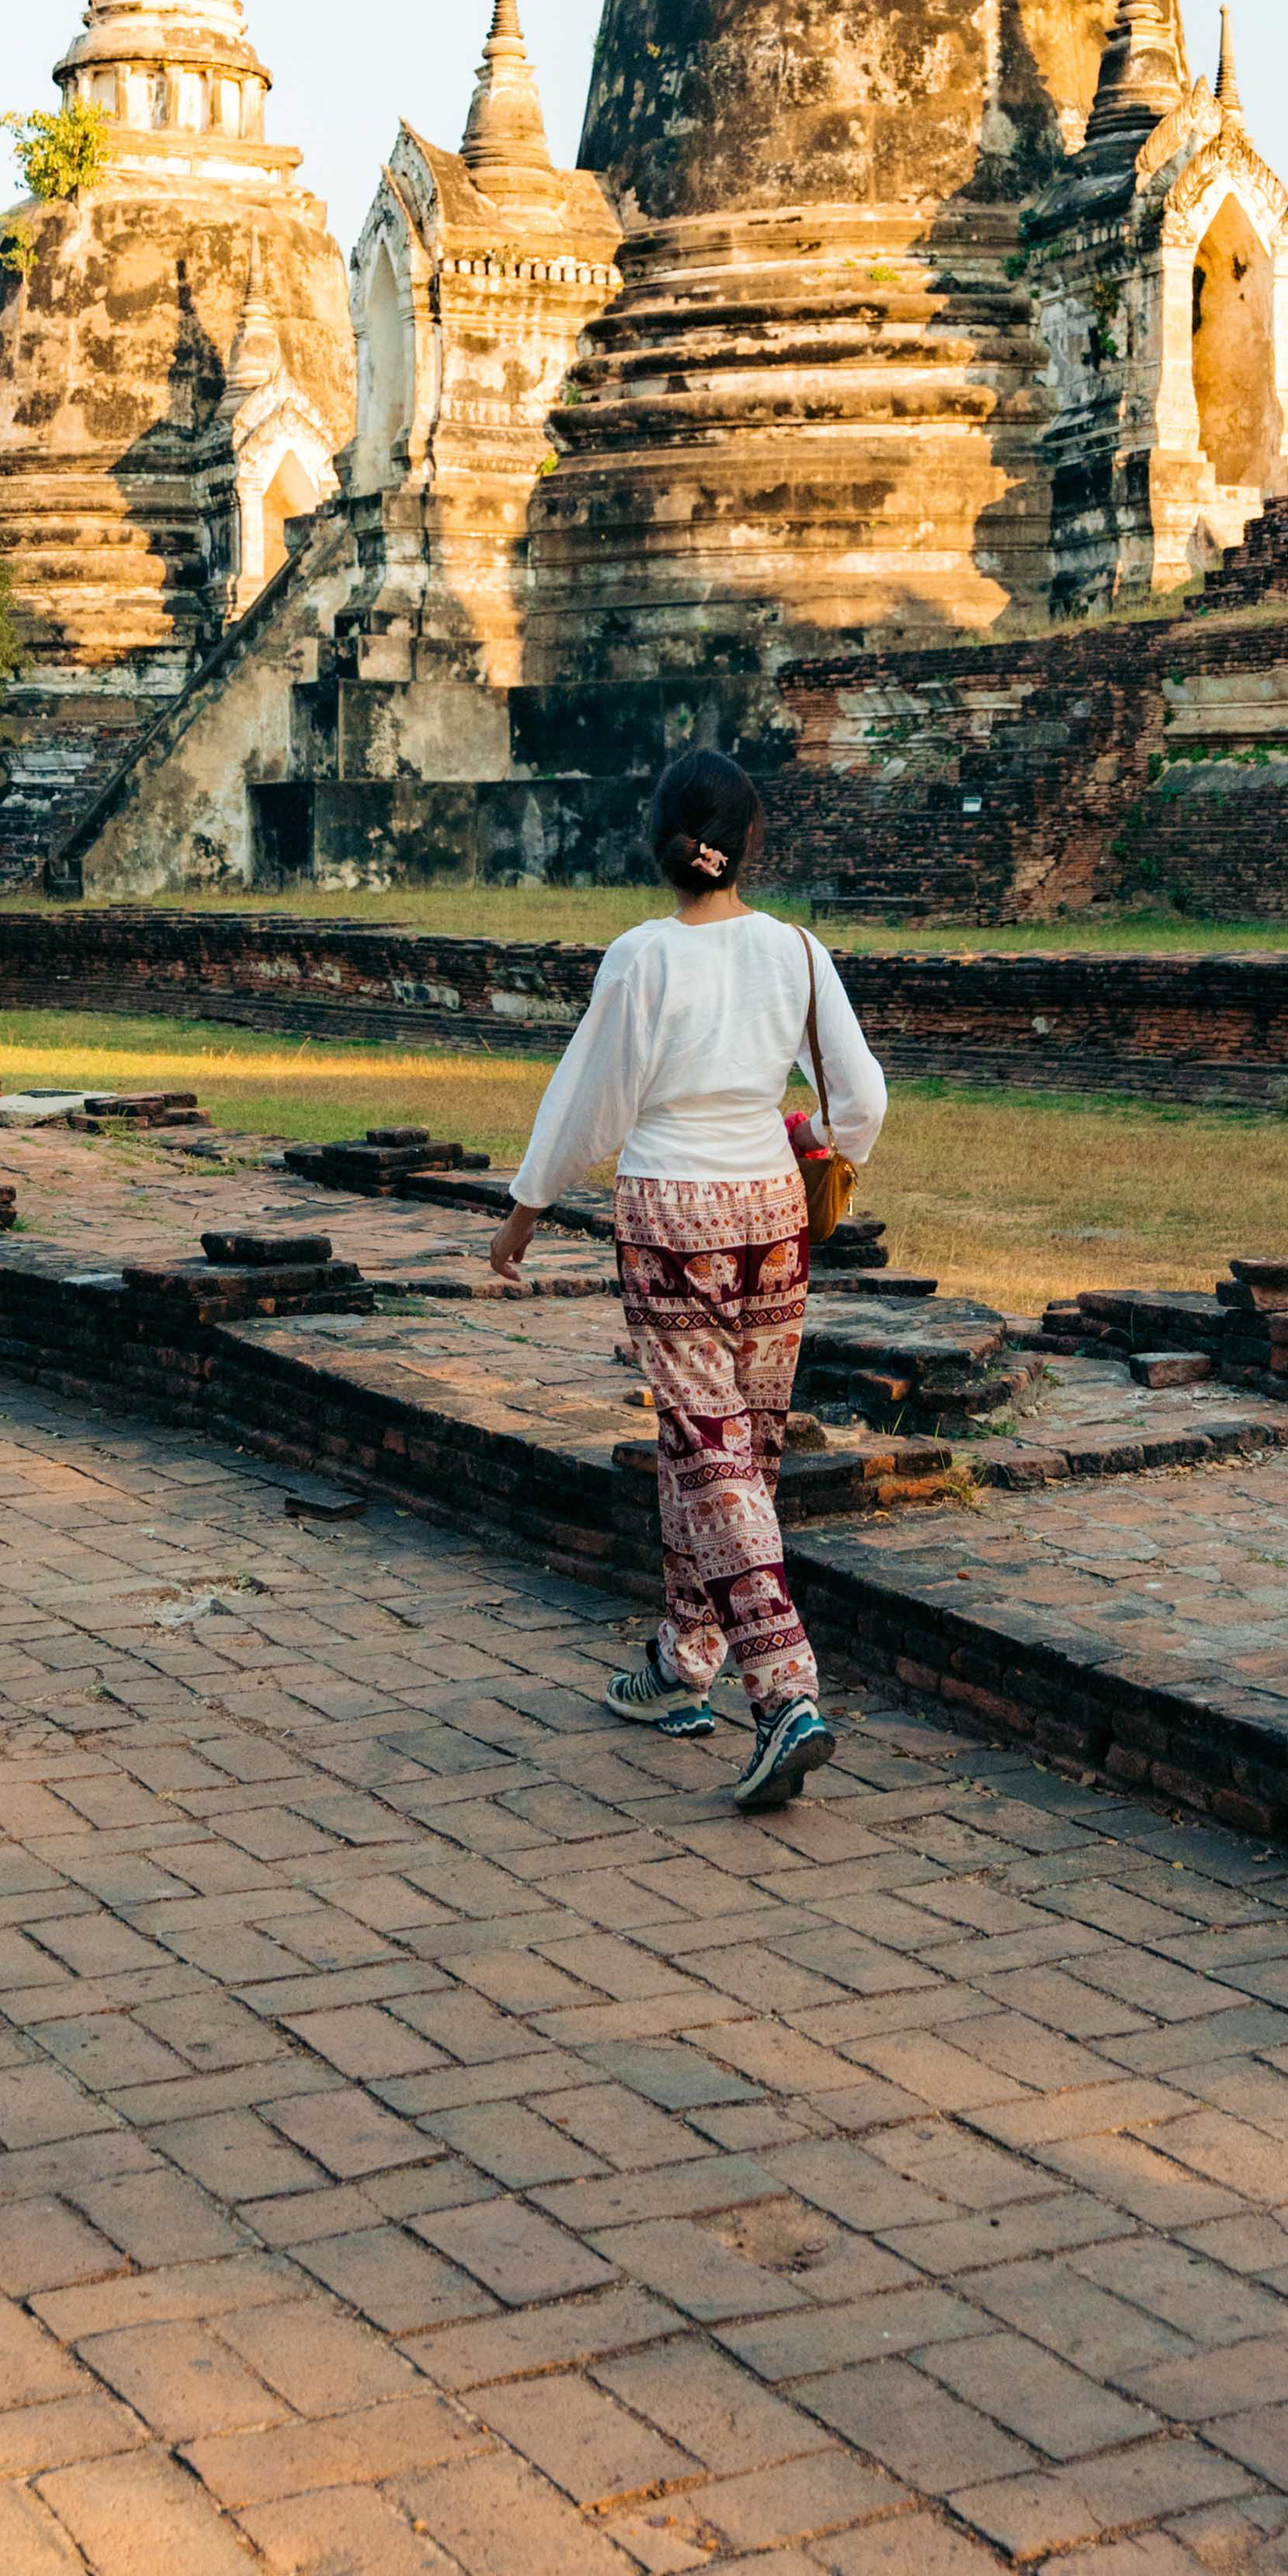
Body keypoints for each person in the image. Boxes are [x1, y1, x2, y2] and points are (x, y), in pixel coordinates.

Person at [487, 747, 885, 1811]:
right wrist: (822, 1142)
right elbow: (863, 1097)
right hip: (772, 1214)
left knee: (711, 1452)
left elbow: (591, 1103)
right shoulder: (797, 952)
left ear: (660, 842)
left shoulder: (642, 956)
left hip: (671, 1212)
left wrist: (524, 1212)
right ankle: (682, 1660)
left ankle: (785, 1690)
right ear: (751, 843)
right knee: (726, 1447)